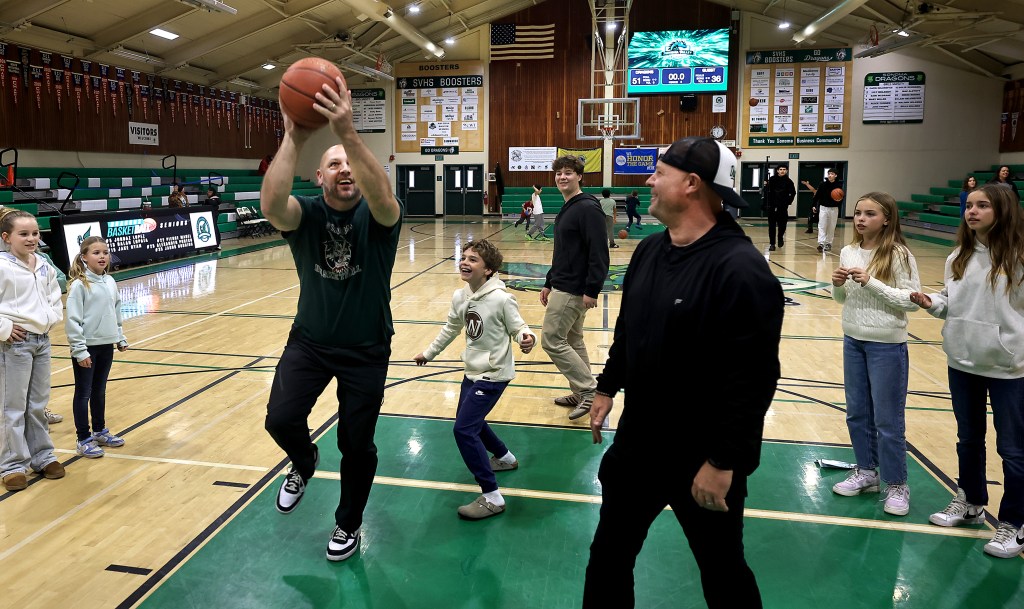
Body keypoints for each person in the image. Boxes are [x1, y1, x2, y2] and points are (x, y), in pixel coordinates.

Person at [583, 137, 783, 608]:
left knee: (722, 570)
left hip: (703, 458)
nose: (650, 181)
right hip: (638, 446)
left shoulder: (741, 270)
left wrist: (723, 462)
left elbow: (752, 380)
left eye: (659, 172)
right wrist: (608, 385)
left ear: (692, 184)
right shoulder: (649, 252)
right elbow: (629, 331)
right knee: (608, 556)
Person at [261, 75, 403, 562]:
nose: (344, 169)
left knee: (356, 443)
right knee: (280, 418)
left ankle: (348, 523)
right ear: (318, 178)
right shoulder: (307, 216)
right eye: (334, 164)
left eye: (349, 164)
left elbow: (383, 198)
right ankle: (303, 460)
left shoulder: (379, 219)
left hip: (366, 348)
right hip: (311, 342)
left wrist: (348, 134)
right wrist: (295, 137)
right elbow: (271, 205)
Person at [910, 184, 1024, 559]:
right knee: (968, 439)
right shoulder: (958, 255)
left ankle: (1015, 523)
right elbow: (954, 302)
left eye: (983, 205)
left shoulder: (1019, 257)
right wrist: (934, 302)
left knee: (1013, 449)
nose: (971, 211)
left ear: (1003, 210)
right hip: (962, 361)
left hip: (1010, 368)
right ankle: (971, 500)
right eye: (970, 205)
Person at [414, 240, 536, 520]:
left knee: (463, 429)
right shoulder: (461, 297)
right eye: (463, 257)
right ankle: (504, 458)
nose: (465, 262)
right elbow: (451, 328)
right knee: (472, 423)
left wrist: (527, 339)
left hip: (493, 375)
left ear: (489, 270)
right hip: (472, 371)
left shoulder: (502, 299)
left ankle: (492, 496)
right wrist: (429, 354)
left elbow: (519, 327)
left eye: (473, 260)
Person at [830, 192, 920, 516]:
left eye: (870, 213)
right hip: (853, 339)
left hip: (887, 345)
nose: (861, 218)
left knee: (887, 419)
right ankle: (867, 472)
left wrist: (871, 282)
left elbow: (911, 300)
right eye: (857, 213)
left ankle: (897, 484)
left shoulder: (899, 254)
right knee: (856, 412)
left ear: (886, 219)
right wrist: (837, 283)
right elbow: (841, 299)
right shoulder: (848, 250)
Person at [0, 210, 65, 492]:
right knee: (12, 407)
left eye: (35, 233)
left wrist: (51, 317)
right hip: (14, 343)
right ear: (6, 237)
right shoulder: (1, 266)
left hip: (42, 340)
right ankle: (12, 465)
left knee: (37, 404)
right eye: (23, 234)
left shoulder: (44, 265)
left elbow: (53, 296)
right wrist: (3, 327)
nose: (31, 239)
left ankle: (42, 455)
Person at [540, 156, 610, 421]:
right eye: (559, 173)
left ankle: (589, 391)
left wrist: (592, 289)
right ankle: (581, 393)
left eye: (568, 173)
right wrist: (549, 281)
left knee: (551, 340)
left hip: (573, 289)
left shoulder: (587, 208)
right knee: (572, 340)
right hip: (562, 283)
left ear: (580, 176)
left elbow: (599, 253)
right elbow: (564, 252)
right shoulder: (568, 207)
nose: (562, 177)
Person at [65, 236, 129, 459]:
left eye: (105, 252)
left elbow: (116, 311)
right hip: (87, 349)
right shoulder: (79, 286)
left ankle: (100, 431)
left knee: (99, 391)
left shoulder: (110, 281)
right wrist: (80, 350)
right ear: (84, 257)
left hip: (106, 346)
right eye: (96, 253)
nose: (102, 256)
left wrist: (119, 337)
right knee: (84, 393)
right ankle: (83, 439)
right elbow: (73, 321)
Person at [802, 168, 843, 252]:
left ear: (835, 175)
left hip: (834, 208)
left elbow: (841, 197)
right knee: (822, 225)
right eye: (829, 173)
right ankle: (821, 243)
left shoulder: (838, 185)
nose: (830, 175)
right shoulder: (822, 184)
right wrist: (813, 205)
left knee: (831, 226)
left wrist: (838, 203)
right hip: (823, 207)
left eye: (832, 174)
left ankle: (828, 243)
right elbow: (817, 195)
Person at [764, 165, 796, 251]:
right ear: (777, 171)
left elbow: (793, 193)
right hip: (772, 206)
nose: (782, 171)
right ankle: (772, 244)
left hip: (782, 206)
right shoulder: (772, 179)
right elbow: (767, 191)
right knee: (771, 226)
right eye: (780, 169)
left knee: (782, 225)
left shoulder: (789, 181)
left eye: (784, 169)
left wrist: (788, 202)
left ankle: (780, 237)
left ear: (786, 171)